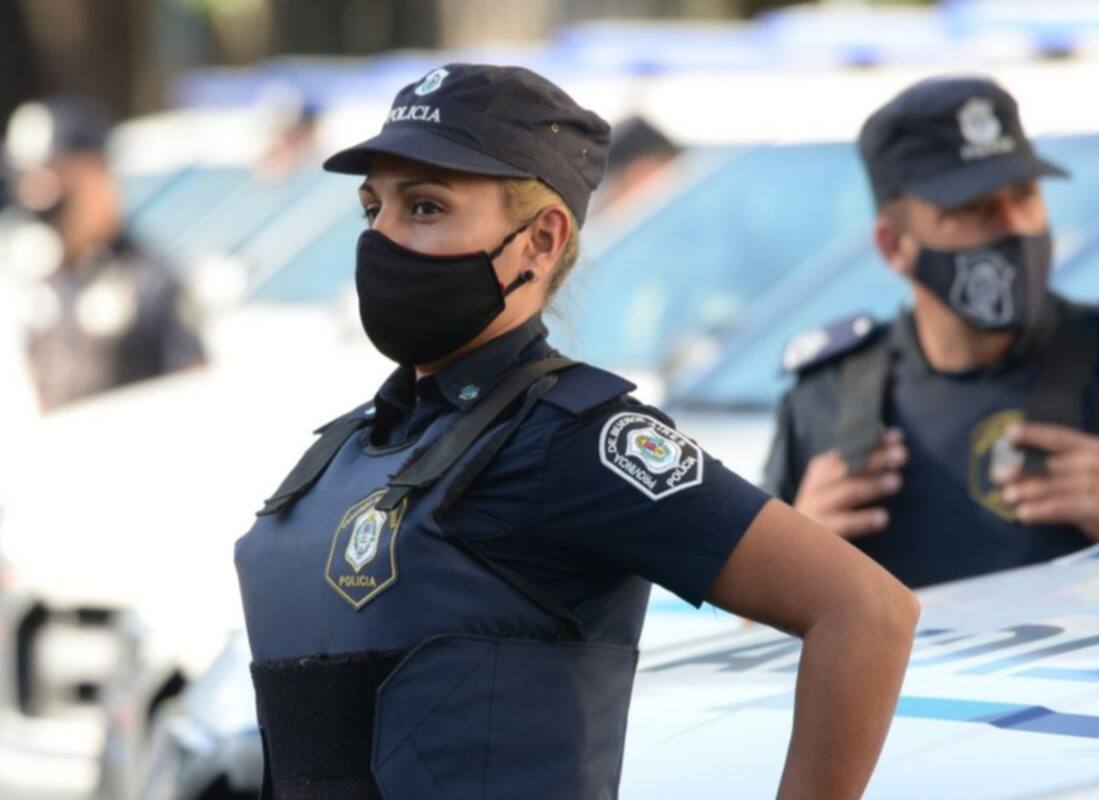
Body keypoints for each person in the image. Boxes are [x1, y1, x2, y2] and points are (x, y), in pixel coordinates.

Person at [235, 64, 918, 800]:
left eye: (426, 208)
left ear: (541, 239)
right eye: (375, 210)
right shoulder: (353, 446)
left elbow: (865, 610)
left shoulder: (570, 440)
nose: (384, 240)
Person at [764, 75, 1099, 588]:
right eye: (973, 209)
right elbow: (751, 633)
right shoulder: (827, 396)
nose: (1015, 225)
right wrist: (790, 555)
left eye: (1025, 195)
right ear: (893, 246)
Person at [2, 95, 205, 411]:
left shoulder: (149, 282)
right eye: (28, 179)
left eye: (54, 176)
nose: (39, 196)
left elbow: (197, 399)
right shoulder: (40, 281)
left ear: (96, 173)